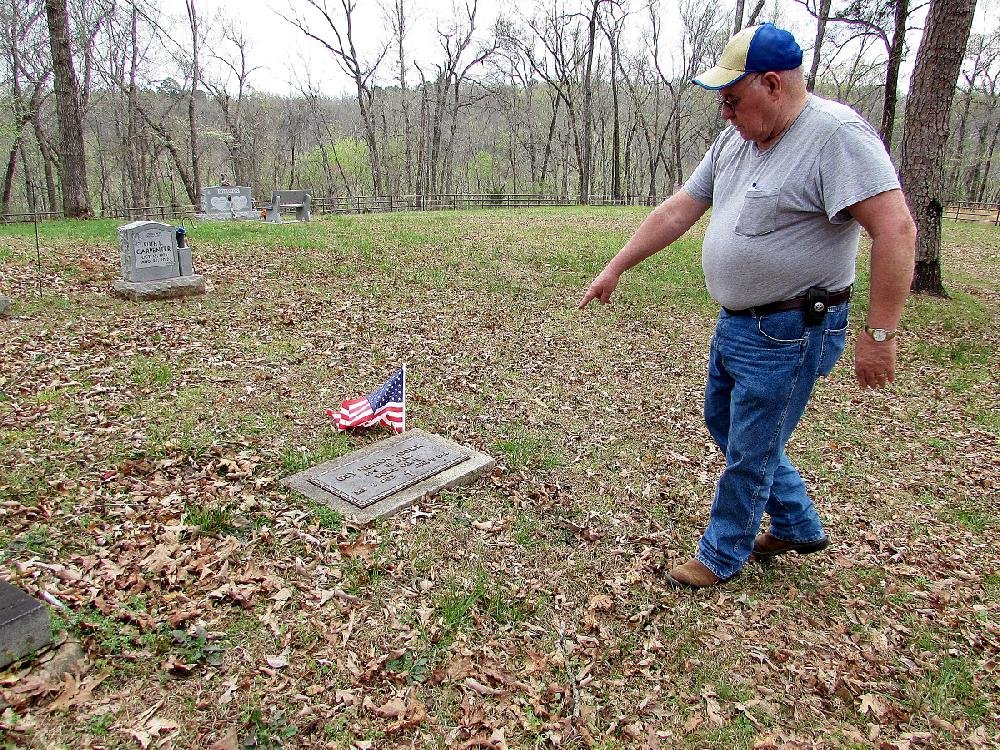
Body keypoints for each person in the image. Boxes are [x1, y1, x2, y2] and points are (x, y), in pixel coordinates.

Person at [578, 23, 916, 589]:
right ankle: (796, 523)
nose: (725, 112)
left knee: (751, 448)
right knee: (726, 424)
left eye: (733, 99)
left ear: (773, 84)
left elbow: (896, 229)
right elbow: (679, 208)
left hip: (792, 328)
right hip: (739, 323)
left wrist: (880, 334)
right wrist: (617, 265)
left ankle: (720, 555)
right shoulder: (737, 140)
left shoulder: (835, 137)